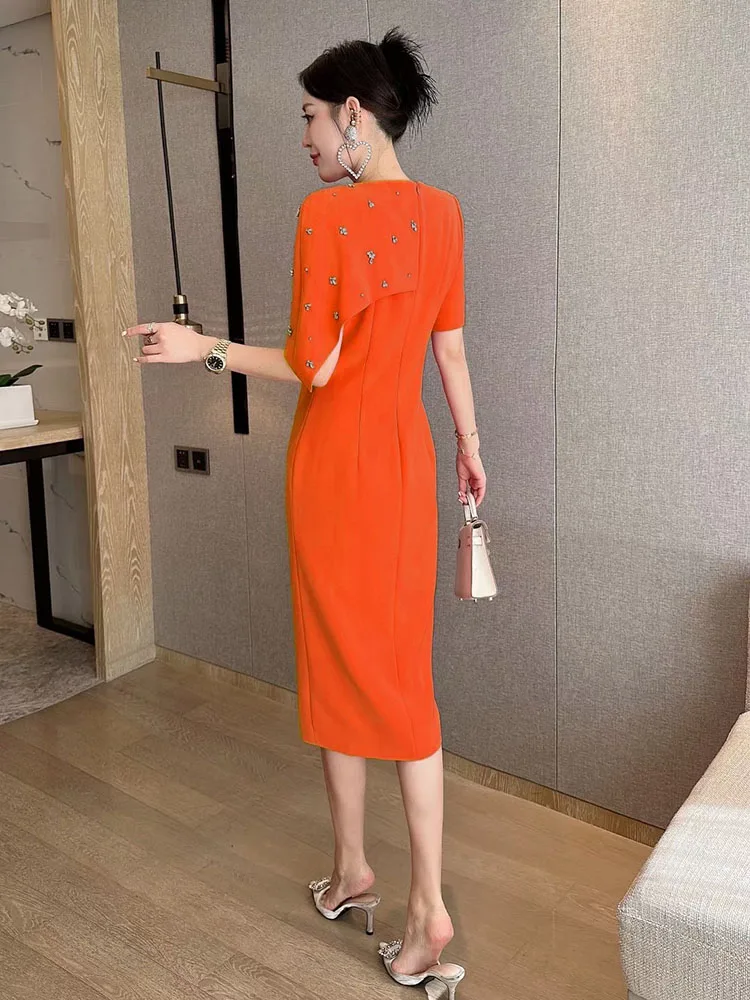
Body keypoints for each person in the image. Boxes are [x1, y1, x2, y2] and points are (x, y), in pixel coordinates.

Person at [124, 26, 485, 998]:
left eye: (311, 118)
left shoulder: (328, 218)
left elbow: (310, 365)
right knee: (400, 675)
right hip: (407, 461)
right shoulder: (445, 214)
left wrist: (204, 347)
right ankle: (360, 871)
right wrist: (471, 448)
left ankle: (416, 905)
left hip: (335, 469)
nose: (306, 138)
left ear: (354, 114)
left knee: (338, 660)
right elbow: (450, 350)